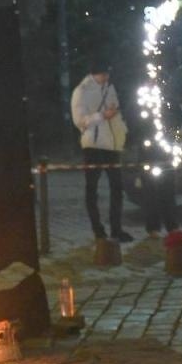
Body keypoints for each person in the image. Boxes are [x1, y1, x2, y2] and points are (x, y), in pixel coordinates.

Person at [71, 58, 132, 242]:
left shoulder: (109, 87)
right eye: (103, 73)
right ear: (94, 73)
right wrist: (101, 116)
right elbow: (79, 120)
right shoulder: (81, 91)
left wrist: (119, 127)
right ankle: (98, 230)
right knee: (92, 189)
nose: (106, 77)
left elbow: (115, 109)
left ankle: (116, 228)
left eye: (108, 74)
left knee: (117, 188)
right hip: (93, 145)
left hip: (112, 144)